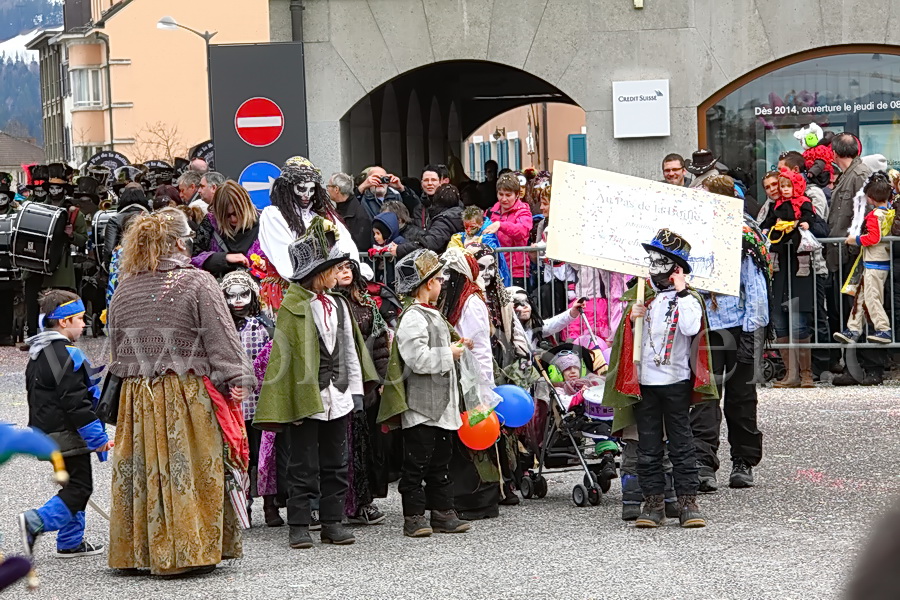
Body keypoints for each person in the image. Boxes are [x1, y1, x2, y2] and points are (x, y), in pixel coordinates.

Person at [106, 208, 255, 577]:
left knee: (143, 471)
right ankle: (187, 552)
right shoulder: (198, 283)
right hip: (184, 393)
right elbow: (222, 338)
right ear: (175, 242)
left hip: (137, 395)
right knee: (186, 469)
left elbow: (115, 348)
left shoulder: (126, 286)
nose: (190, 245)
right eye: (187, 239)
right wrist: (235, 379)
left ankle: (138, 552)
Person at [253, 217, 378, 549]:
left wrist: (355, 392)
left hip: (337, 397)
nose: (338, 275)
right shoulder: (292, 308)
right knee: (302, 463)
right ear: (316, 273)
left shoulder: (338, 304)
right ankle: (298, 524)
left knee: (337, 461)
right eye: (332, 269)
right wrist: (289, 402)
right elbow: (285, 359)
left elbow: (349, 349)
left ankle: (332, 522)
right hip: (306, 399)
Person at [604, 229, 718, 529]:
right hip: (646, 383)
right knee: (648, 445)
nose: (654, 267)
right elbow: (625, 341)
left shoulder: (688, 299)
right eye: (651, 261)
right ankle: (652, 502)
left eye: (661, 261)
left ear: (675, 268)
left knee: (681, 443)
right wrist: (632, 319)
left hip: (676, 381)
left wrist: (681, 290)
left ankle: (687, 502)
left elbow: (692, 328)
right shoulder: (641, 298)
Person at [378, 248, 473, 538]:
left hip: (441, 404)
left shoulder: (432, 314)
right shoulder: (413, 317)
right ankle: (414, 516)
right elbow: (416, 358)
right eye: (438, 279)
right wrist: (450, 353)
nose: (442, 282)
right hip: (421, 406)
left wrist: (457, 345)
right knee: (417, 463)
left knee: (441, 461)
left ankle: (443, 512)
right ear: (427, 284)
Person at [17, 290, 110, 559]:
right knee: (81, 488)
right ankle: (36, 521)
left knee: (72, 486)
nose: (84, 324)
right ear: (63, 322)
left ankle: (70, 542)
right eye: (79, 318)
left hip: (46, 432)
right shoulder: (64, 355)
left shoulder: (40, 351)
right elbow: (76, 403)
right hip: (66, 433)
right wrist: (97, 438)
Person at [691, 176, 770, 492]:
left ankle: (743, 461)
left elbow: (755, 286)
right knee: (703, 398)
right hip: (704, 327)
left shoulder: (745, 235)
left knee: (740, 398)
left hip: (738, 325)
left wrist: (753, 333)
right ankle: (702, 462)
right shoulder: (692, 236)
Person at [258, 157, 358, 310]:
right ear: (288, 187)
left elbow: (347, 248)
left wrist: (348, 271)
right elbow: (287, 263)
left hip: (321, 290)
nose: (307, 195)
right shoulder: (274, 215)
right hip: (287, 292)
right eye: (301, 188)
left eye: (311, 190)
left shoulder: (319, 217)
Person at [334, 260, 391, 525]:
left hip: (365, 386)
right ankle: (335, 505)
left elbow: (380, 345)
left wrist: (382, 379)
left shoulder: (367, 304)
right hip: (337, 383)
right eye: (339, 269)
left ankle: (362, 503)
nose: (345, 273)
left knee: (364, 446)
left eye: (349, 268)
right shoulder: (328, 305)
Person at [219, 270, 277, 525]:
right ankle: (244, 506)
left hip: (262, 400)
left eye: (244, 294)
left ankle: (271, 506)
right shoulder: (221, 327)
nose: (238, 300)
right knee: (241, 456)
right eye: (231, 296)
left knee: (266, 455)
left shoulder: (264, 324)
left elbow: (274, 358)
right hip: (233, 402)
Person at [827, 134, 885, 386]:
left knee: (862, 309)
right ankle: (856, 366)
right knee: (851, 312)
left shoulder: (859, 174)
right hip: (845, 254)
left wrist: (856, 243)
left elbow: (868, 213)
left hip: (855, 254)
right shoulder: (850, 173)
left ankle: (869, 368)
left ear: (834, 152)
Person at [760, 168, 817, 388]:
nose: (777, 190)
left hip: (798, 274)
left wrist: (802, 226)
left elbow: (819, 227)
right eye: (772, 187)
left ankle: (806, 374)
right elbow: (766, 226)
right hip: (779, 274)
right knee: (781, 325)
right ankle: (790, 374)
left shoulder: (804, 203)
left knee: (799, 324)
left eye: (781, 185)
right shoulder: (773, 208)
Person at [21, 176, 87, 345]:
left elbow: (83, 240)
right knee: (32, 299)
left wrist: (71, 234)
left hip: (60, 263)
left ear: (64, 190)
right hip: (36, 261)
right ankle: (33, 335)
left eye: (58, 188)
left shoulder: (73, 213)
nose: (55, 192)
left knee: (60, 302)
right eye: (52, 188)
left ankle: (61, 336)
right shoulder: (36, 207)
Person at [834, 173, 895, 346]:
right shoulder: (889, 212)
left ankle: (883, 329)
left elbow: (873, 238)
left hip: (874, 262)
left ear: (871, 197)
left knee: (871, 297)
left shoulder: (875, 215)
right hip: (877, 261)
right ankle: (853, 328)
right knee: (861, 296)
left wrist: (856, 239)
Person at [192, 181, 261, 278]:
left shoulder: (263, 224)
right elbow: (194, 259)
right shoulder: (211, 222)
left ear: (246, 207)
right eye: (226, 216)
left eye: (237, 213)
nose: (233, 219)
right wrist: (224, 258)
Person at [485, 173, 533, 289]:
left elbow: (522, 231)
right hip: (495, 269)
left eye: (508, 195)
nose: (504, 199)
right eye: (500, 194)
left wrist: (501, 225)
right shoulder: (491, 212)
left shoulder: (523, 212)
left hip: (516, 272)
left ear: (517, 195)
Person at [391, 183, 464, 259]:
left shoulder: (444, 220)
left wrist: (400, 249)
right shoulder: (459, 214)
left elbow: (430, 243)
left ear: (436, 199)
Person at [103, 185, 151, 268]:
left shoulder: (115, 220)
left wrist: (109, 268)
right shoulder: (152, 219)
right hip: (149, 267)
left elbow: (109, 250)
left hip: (123, 268)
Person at [356, 165, 423, 224]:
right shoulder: (361, 198)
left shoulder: (396, 196)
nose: (380, 182)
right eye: (375, 178)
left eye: (383, 178)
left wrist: (401, 188)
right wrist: (362, 187)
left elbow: (416, 208)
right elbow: (348, 205)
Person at [328, 172, 373, 251]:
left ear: (336, 189)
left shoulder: (358, 214)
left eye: (329, 186)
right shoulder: (342, 209)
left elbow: (362, 246)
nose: (327, 189)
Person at [0, 178, 19, 345]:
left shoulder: (16, 215)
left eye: (3, 195)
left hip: (8, 262)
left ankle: (6, 333)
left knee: (6, 298)